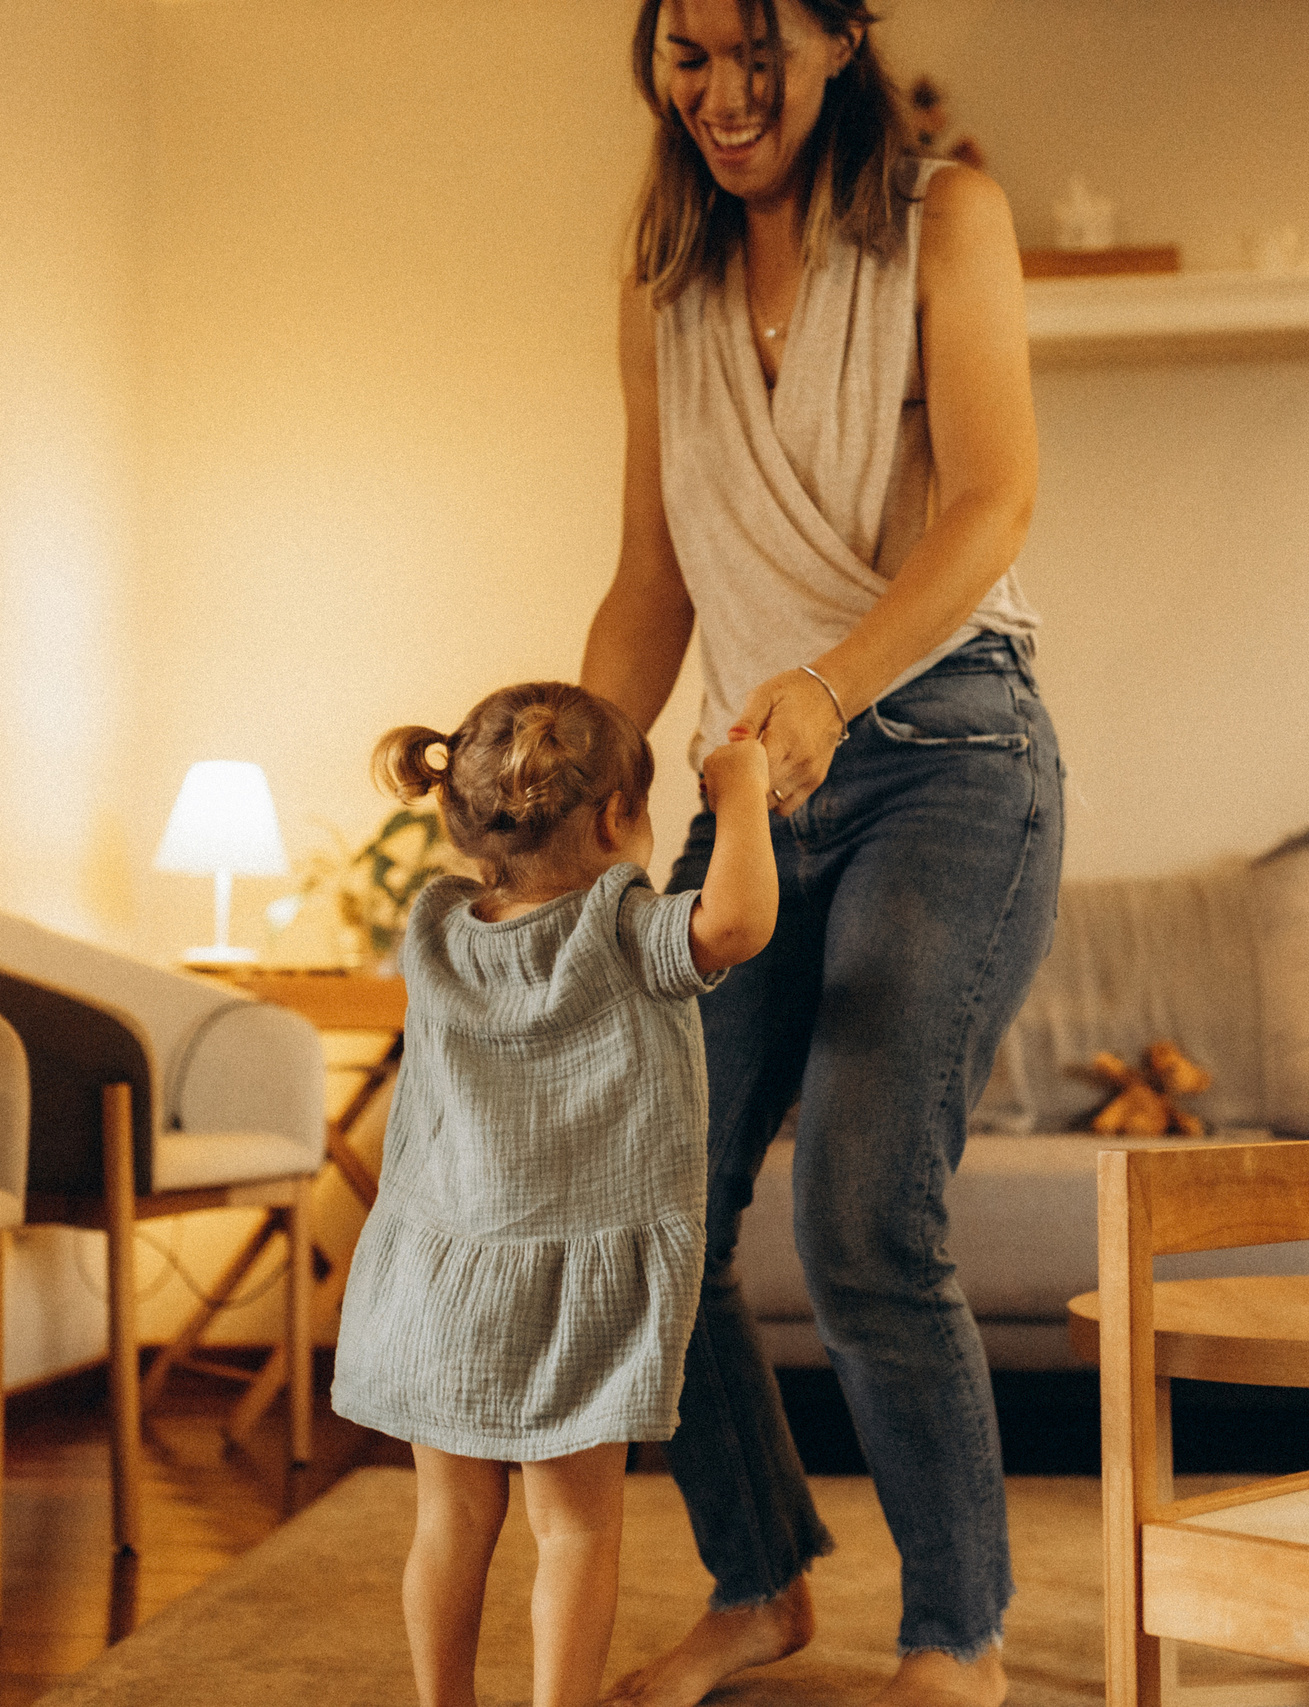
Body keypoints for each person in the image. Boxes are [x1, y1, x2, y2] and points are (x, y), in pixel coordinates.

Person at [578, 2, 1058, 1704]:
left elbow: (991, 500)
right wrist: (568, 774)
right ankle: (759, 1579)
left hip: (946, 756)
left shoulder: (946, 214)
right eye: (685, 49)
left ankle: (958, 1632)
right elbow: (653, 581)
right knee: (651, 1207)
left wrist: (829, 689)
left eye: (758, 44)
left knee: (862, 1205)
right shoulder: (664, 287)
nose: (722, 89)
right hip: (752, 794)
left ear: (845, 34)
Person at [330, 682, 780, 1707]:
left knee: (446, 1521)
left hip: (442, 1276)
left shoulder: (435, 929)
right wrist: (741, 787)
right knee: (573, 1530)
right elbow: (741, 919)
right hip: (581, 1288)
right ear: (620, 817)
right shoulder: (624, 933)